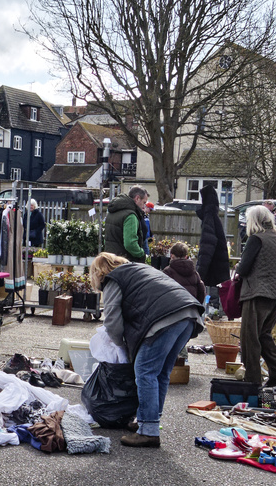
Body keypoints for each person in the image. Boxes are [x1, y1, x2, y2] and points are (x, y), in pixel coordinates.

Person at [90, 253, 204, 448]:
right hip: (189, 314)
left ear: (98, 273)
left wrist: (121, 346)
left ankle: (148, 430)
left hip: (164, 319)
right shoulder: (140, 269)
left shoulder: (113, 280)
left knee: (145, 371)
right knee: (160, 373)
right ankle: (148, 421)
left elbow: (112, 322)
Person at [233, 206, 276, 388]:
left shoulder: (256, 239)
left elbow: (244, 268)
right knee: (263, 334)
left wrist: (237, 269)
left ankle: (252, 380)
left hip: (259, 293)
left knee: (250, 338)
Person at [194, 185, 230, 302]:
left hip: (213, 269)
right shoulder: (214, 216)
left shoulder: (209, 217)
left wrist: (200, 272)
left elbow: (207, 245)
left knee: (211, 301)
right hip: (219, 266)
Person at [103, 186, 149, 263]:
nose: (144, 206)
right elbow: (130, 244)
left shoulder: (112, 211)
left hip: (109, 259)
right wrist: (142, 254)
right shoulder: (130, 215)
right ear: (137, 198)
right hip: (124, 260)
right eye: (144, 202)